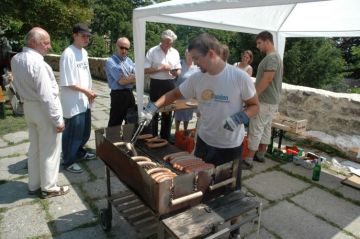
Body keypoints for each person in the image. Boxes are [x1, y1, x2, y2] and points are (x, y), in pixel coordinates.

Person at [141, 32, 259, 186]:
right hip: (203, 142)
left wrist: (238, 118)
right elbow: (175, 93)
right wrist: (152, 107)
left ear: (210, 54)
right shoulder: (197, 78)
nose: (195, 63)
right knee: (200, 184)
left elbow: (255, 106)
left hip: (229, 146)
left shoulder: (239, 77)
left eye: (197, 58)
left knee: (226, 188)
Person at [11, 27, 69, 198]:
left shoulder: (16, 59)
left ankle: (34, 184)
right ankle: (49, 187)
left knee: (35, 148)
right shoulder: (39, 64)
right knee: (50, 150)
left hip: (29, 107)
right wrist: (57, 119)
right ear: (33, 42)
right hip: (43, 110)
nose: (49, 46)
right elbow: (47, 96)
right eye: (46, 43)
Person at [59, 23, 97, 173]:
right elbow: (69, 82)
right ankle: (68, 161)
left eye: (88, 36)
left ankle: (79, 152)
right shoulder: (68, 54)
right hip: (73, 101)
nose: (86, 39)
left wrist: (89, 92)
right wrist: (87, 92)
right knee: (72, 133)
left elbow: (85, 76)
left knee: (84, 131)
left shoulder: (84, 52)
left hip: (84, 99)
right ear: (74, 35)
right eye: (83, 36)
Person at [244, 31, 283, 167]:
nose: (258, 46)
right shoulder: (275, 56)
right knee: (266, 128)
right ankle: (261, 155)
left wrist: (252, 97)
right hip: (272, 100)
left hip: (265, 100)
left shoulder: (271, 57)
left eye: (259, 43)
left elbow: (267, 79)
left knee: (256, 128)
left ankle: (248, 160)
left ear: (267, 41)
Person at [144, 29, 181, 140]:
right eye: (166, 42)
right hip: (156, 84)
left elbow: (179, 70)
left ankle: (165, 137)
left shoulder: (175, 52)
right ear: (161, 39)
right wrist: (161, 68)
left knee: (168, 113)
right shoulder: (152, 51)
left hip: (170, 84)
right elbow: (145, 70)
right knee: (153, 111)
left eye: (170, 43)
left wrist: (176, 72)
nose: (168, 45)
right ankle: (153, 136)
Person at [105, 37, 136, 127]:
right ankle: (112, 140)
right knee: (115, 123)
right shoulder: (111, 62)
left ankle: (128, 140)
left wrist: (130, 79)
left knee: (131, 121)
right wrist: (131, 78)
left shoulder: (129, 60)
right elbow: (122, 81)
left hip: (130, 94)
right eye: (122, 47)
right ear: (116, 47)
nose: (124, 51)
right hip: (118, 96)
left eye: (126, 48)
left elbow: (137, 79)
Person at [174, 50, 198, 133]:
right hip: (179, 92)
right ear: (185, 55)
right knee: (178, 114)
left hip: (190, 94)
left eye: (191, 55)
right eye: (188, 55)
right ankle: (177, 131)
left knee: (188, 114)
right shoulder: (180, 63)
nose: (190, 57)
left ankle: (185, 131)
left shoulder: (196, 66)